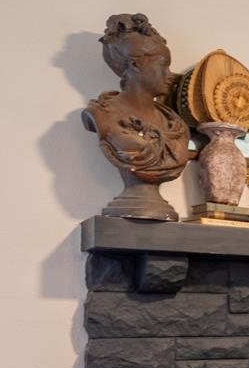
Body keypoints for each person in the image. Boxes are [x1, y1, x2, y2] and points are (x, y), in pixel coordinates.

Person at [81, 13, 189, 220]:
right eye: (163, 66)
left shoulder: (174, 125)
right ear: (136, 65)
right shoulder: (103, 114)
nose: (169, 75)